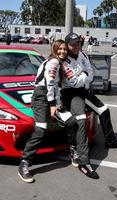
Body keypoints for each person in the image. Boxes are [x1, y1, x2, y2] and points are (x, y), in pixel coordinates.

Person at [60, 32, 117, 179]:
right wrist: (84, 76)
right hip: (70, 93)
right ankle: (83, 162)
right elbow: (74, 82)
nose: (75, 46)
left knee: (104, 110)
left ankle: (110, 140)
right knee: (81, 120)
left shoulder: (82, 55)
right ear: (67, 46)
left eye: (77, 43)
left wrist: (83, 76)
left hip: (83, 91)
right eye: (72, 44)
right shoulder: (64, 60)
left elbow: (90, 72)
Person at [18, 39, 77, 183]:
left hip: (51, 97)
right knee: (40, 129)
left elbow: (56, 86)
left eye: (64, 49)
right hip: (41, 97)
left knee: (71, 121)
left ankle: (73, 150)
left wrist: (57, 102)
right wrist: (52, 104)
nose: (62, 51)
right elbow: (49, 83)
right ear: (54, 49)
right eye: (60, 49)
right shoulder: (54, 62)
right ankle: (24, 163)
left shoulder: (60, 63)